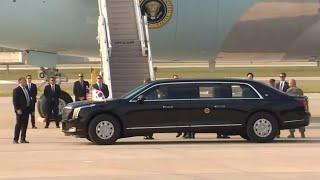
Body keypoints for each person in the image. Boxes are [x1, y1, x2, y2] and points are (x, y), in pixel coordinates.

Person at [13, 77, 31, 144]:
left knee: (25, 125)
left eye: (25, 81)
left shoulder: (26, 89)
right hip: (20, 110)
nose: (25, 82)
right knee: (18, 125)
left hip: (26, 110)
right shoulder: (16, 90)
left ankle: (23, 139)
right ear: (20, 82)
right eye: (24, 82)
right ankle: (15, 139)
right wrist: (17, 109)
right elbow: (15, 101)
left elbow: (28, 98)